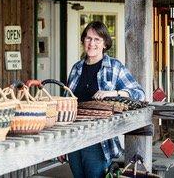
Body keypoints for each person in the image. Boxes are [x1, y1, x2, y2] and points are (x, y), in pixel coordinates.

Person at [61, 21, 145, 178]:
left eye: (97, 39)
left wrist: (114, 93)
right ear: (83, 41)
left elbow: (139, 93)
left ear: (105, 44)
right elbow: (67, 104)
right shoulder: (76, 68)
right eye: (88, 38)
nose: (91, 43)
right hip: (73, 136)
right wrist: (61, 145)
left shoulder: (114, 67)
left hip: (98, 140)